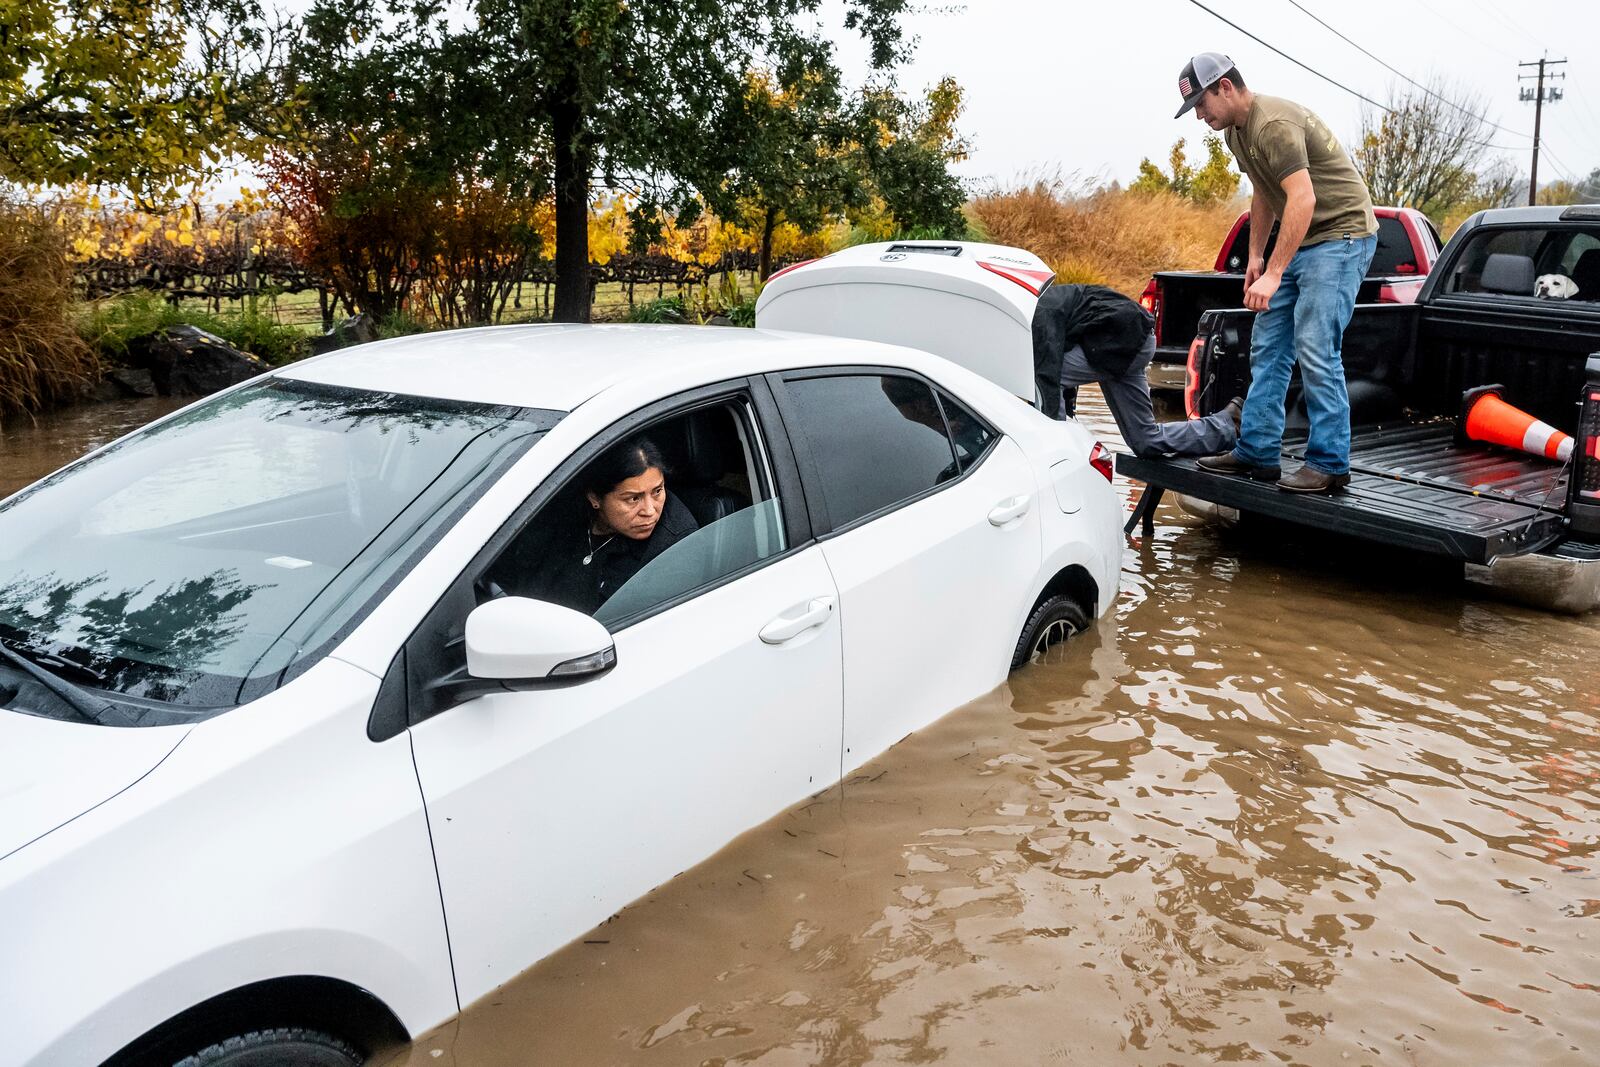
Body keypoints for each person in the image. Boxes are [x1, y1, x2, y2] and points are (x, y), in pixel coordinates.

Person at [1176, 52, 1378, 493]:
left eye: (1202, 105)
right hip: (1305, 238)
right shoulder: (1236, 133)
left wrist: (1276, 271)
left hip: (1342, 235)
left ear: (1225, 87)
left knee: (1315, 344)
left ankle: (1329, 463)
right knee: (1268, 344)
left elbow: (1301, 199)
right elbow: (1265, 194)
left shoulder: (1273, 125)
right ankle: (1258, 452)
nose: (1201, 117)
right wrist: (1255, 258)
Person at [1032, 282, 1241, 458]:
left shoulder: (1039, 313)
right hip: (1133, 339)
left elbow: (1048, 378)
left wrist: (1052, 450)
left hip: (1122, 340)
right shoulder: (1044, 303)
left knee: (1048, 378)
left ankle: (1058, 451)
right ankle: (1226, 426)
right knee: (1145, 441)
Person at [526, 435, 699, 614]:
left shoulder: (673, 546)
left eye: (657, 491)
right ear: (595, 498)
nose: (649, 510)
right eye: (633, 498)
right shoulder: (563, 516)